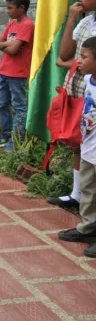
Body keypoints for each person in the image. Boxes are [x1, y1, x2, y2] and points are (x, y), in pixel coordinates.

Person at [51, 0, 96, 209]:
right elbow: (65, 53)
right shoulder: (86, 21)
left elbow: (71, 61)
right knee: (78, 141)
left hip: (93, 89)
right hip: (79, 88)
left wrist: (69, 64)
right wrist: (71, 19)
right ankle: (77, 193)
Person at [59, 36, 96, 257]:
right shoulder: (90, 81)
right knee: (89, 189)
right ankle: (89, 227)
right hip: (90, 146)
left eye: (84, 57)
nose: (78, 61)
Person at [0, 0, 34, 151]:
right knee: (2, 103)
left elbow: (14, 49)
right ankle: (7, 134)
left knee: (19, 106)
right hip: (4, 71)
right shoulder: (12, 24)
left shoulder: (28, 25)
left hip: (18, 73)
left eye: (10, 8)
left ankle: (16, 139)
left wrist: (7, 45)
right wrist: (8, 45)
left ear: (21, 8)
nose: (7, 11)